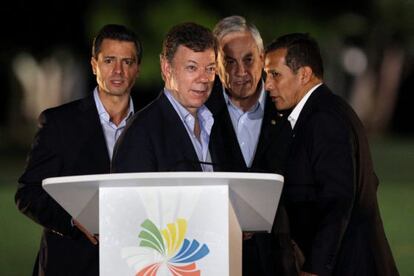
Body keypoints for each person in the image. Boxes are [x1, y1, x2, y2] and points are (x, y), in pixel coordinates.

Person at [264, 33, 399, 276]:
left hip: (351, 266)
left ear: (304, 74)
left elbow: (338, 199)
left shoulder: (325, 118)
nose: (268, 85)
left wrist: (315, 268)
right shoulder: (315, 114)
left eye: (275, 74)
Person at [15, 24, 142, 276]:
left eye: (127, 61)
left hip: (133, 264)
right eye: (109, 60)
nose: (118, 70)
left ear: (137, 69)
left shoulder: (151, 125)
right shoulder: (58, 123)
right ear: (94, 64)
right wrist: (71, 221)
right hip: (70, 264)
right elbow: (28, 193)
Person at [206, 15, 297, 276]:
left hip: (280, 261)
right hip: (217, 258)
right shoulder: (198, 114)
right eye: (230, 61)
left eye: (248, 59)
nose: (240, 72)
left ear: (262, 57)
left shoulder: (289, 113)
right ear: (216, 63)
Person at [112, 22, 217, 173]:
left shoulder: (216, 126)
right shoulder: (140, 133)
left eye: (210, 69)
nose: (203, 79)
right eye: (192, 68)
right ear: (167, 68)